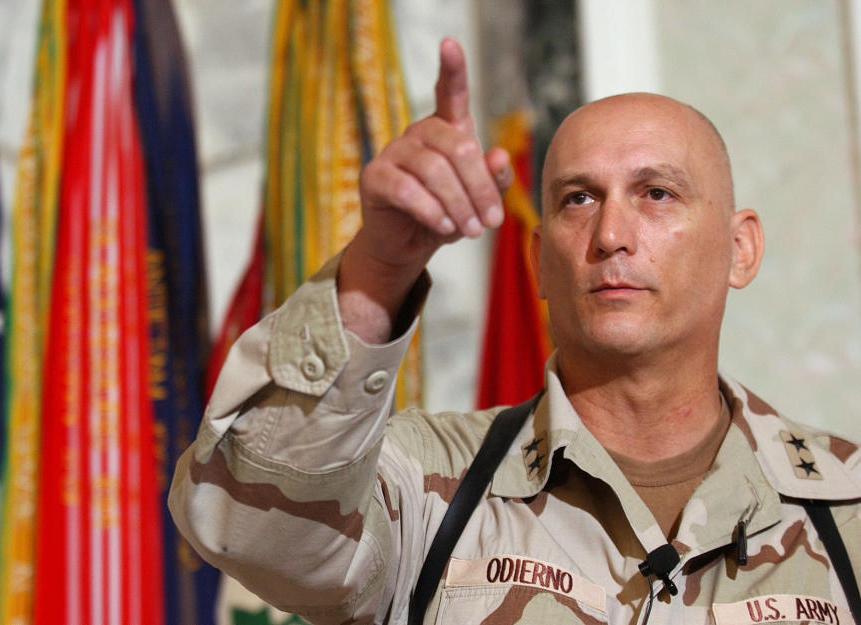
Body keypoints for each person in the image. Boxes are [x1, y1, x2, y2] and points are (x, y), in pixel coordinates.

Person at [169, 39, 861, 625]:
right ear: (537, 259)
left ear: (740, 248)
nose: (611, 235)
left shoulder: (847, 506)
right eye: (577, 199)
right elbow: (247, 522)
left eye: (656, 194)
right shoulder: (426, 488)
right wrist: (377, 269)